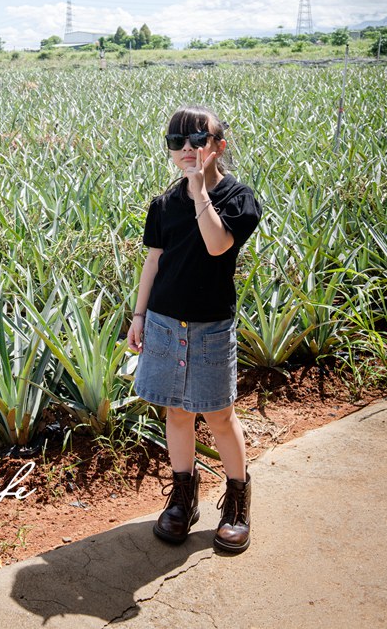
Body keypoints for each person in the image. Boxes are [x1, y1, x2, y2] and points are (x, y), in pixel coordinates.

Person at [127, 104, 262, 553]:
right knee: (177, 412)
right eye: (176, 142)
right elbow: (154, 261)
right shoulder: (163, 204)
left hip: (210, 330)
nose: (187, 149)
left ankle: (238, 502)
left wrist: (200, 188)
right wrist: (139, 316)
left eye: (197, 141)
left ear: (218, 147)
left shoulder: (238, 199)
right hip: (164, 325)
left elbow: (218, 244)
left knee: (220, 416)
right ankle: (184, 497)